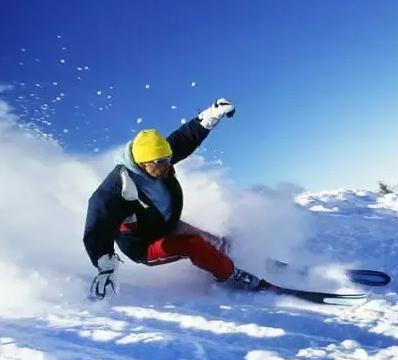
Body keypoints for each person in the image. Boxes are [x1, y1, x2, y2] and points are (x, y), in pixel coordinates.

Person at [83, 98, 267, 300]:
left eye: (169, 159)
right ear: (142, 163)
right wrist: (105, 265)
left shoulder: (159, 159)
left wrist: (211, 115)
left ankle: (230, 255)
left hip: (166, 224)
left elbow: (184, 139)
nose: (168, 165)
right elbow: (97, 227)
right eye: (162, 162)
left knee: (215, 242)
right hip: (144, 245)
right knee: (194, 244)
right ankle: (231, 276)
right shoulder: (116, 189)